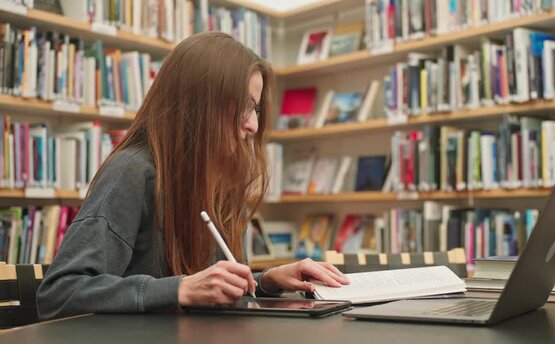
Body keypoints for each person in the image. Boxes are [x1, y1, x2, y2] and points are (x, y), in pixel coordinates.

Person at [36, 32, 349, 320]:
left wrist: (265, 281)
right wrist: (178, 290)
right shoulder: (131, 171)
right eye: (245, 107)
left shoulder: (212, 177)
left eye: (256, 111)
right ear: (202, 105)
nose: (253, 125)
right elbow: (59, 294)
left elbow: (205, 288)